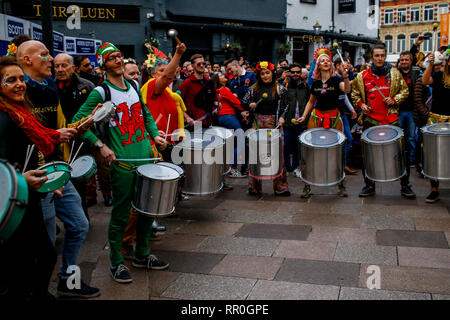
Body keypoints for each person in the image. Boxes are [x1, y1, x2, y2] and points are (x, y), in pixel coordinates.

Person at [72, 42, 169, 283]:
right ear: (102, 64)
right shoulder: (100, 92)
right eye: (112, 58)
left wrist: (155, 134)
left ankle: (142, 254)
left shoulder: (134, 85)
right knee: (122, 213)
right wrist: (100, 145)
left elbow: (145, 113)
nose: (118, 60)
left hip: (145, 156)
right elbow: (77, 122)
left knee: (148, 209)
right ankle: (116, 261)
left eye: (119, 56)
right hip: (122, 162)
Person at [16, 40, 101, 298]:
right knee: (44, 245)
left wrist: (83, 126)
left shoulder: (51, 87)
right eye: (44, 55)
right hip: (33, 179)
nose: (51, 59)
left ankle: (68, 281)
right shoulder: (18, 93)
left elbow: (57, 129)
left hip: (56, 173)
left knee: (79, 225)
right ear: (27, 59)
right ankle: (36, 290)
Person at [0, 55, 64, 300]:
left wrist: (45, 180)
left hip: (28, 198)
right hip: (12, 205)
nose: (19, 84)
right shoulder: (3, 119)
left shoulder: (19, 113)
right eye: (10, 80)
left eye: (20, 79)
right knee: (23, 265)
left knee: (43, 257)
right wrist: (20, 180)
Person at [351, 42, 415, 198]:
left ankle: (405, 184)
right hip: (371, 120)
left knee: (400, 152)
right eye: (377, 56)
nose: (379, 59)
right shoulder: (362, 76)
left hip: (391, 119)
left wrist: (394, 99)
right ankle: (369, 184)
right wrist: (362, 105)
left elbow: (405, 91)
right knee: (367, 154)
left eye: (382, 56)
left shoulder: (395, 73)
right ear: (372, 57)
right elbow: (355, 95)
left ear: (385, 56)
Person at [297, 48, 351, 198]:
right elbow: (310, 102)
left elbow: (346, 90)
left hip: (334, 118)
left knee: (337, 151)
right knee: (310, 151)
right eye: (322, 60)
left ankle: (341, 184)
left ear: (331, 64)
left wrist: (346, 77)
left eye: (327, 60)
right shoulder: (315, 84)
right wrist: (303, 116)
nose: (325, 62)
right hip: (316, 117)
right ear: (318, 66)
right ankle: (307, 185)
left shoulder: (337, 80)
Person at [242, 61, 290, 197]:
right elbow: (243, 102)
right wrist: (249, 105)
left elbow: (286, 106)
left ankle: (281, 187)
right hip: (257, 123)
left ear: (272, 74)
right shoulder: (253, 89)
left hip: (274, 124)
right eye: (262, 73)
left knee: (278, 156)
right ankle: (254, 187)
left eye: (267, 73)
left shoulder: (280, 88)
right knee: (255, 155)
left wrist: (282, 117)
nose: (265, 76)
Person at [421, 50, 450, 203]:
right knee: (433, 154)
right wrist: (430, 65)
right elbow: (425, 81)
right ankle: (434, 189)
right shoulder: (438, 75)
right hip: (436, 119)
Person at [212, 72, 249, 178]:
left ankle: (229, 168)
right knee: (241, 142)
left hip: (222, 118)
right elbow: (236, 101)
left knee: (233, 143)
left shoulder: (216, 91)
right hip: (229, 117)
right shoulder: (223, 89)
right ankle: (233, 169)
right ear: (218, 80)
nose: (224, 77)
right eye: (222, 76)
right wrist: (244, 110)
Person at [283, 63, 310, 177]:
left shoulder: (305, 86)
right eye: (293, 72)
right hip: (288, 122)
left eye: (298, 72)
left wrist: (305, 118)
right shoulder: (285, 86)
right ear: (289, 72)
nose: (295, 74)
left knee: (298, 147)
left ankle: (295, 167)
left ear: (301, 73)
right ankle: (286, 167)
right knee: (287, 146)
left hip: (301, 122)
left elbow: (310, 103)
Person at [334, 58, 358, 175]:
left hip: (342, 114)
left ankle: (344, 165)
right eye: (344, 66)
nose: (346, 68)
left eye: (348, 66)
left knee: (348, 139)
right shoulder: (333, 78)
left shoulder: (344, 78)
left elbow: (345, 95)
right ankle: (335, 166)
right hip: (333, 115)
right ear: (337, 65)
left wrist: (352, 109)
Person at [397, 51, 421, 166]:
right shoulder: (395, 73)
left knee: (411, 137)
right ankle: (399, 159)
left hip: (412, 110)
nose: (404, 62)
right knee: (399, 136)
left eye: (406, 60)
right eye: (402, 60)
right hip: (399, 110)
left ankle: (411, 160)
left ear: (411, 61)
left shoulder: (416, 72)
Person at [179, 54, 215, 128]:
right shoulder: (187, 82)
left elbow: (213, 99)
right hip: (194, 125)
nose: (202, 66)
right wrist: (186, 117)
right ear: (192, 66)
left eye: (203, 63)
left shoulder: (209, 82)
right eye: (199, 64)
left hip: (209, 123)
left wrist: (216, 103)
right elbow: (176, 102)